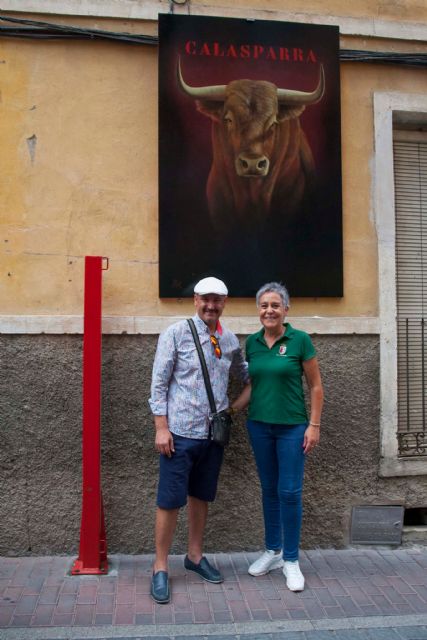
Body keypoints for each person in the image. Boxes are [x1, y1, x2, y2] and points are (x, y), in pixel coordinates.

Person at [148, 276, 249, 604]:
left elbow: (248, 378)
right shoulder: (176, 333)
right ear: (195, 300)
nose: (211, 305)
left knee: (201, 496)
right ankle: (160, 567)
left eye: (217, 300)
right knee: (169, 500)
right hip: (178, 435)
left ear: (224, 303)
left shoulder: (230, 340)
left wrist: (232, 410)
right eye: (205, 299)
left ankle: (194, 556)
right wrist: (161, 428)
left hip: (213, 437)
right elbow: (159, 384)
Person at [240, 282, 323, 592]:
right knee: (269, 490)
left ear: (286, 309)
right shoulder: (252, 343)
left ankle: (291, 560)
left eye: (275, 305)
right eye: (264, 305)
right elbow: (253, 386)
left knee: (289, 492)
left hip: (292, 428)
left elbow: (315, 386)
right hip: (259, 427)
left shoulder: (299, 340)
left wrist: (313, 426)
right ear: (258, 310)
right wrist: (233, 410)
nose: (269, 310)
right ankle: (272, 551)